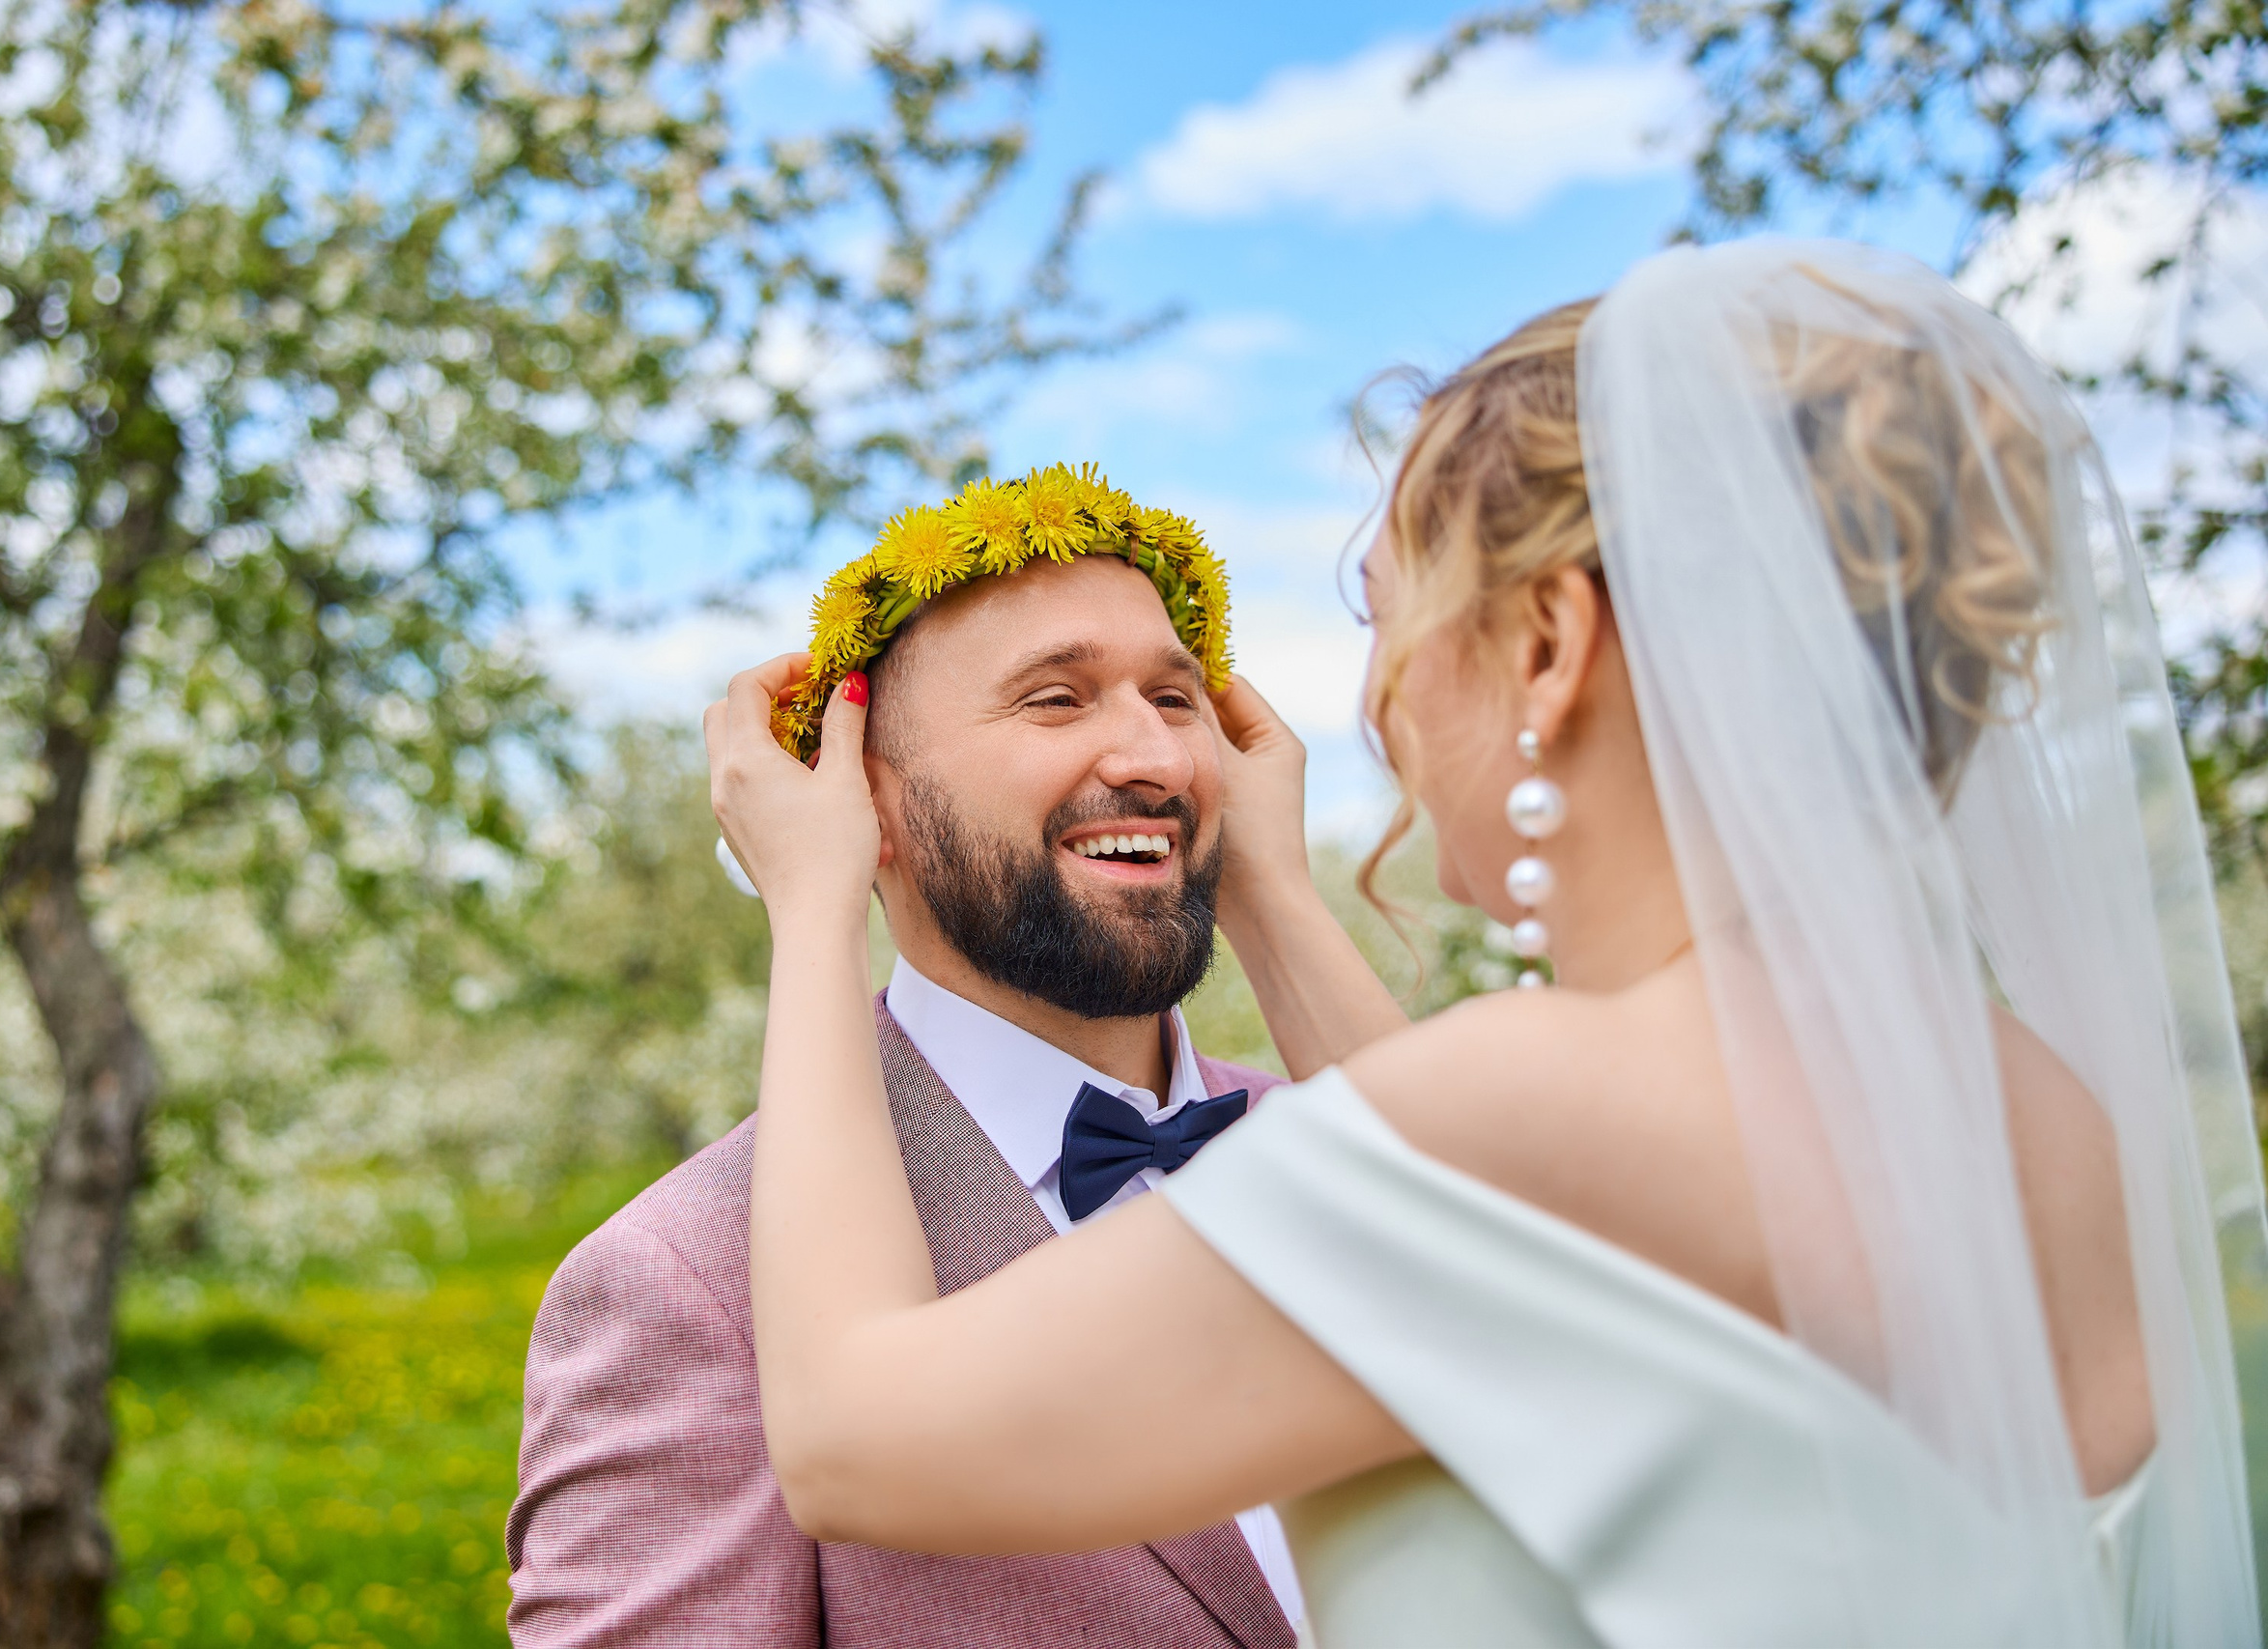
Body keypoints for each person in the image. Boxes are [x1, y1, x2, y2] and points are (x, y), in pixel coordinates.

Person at [707, 241, 2268, 1646]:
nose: (1370, 702)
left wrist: (808, 904)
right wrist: (1272, 891)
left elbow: (849, 1431)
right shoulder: (2048, 1118)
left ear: (1549, 644)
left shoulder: (1531, 1110)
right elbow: (1500, 1245)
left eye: (1395, 616)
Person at [505, 469, 1326, 1647]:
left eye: (1175, 697)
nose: (1154, 758)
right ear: (864, 801)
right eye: (1055, 699)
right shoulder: (678, 1283)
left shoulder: (1346, 1136)